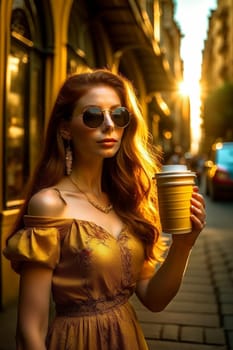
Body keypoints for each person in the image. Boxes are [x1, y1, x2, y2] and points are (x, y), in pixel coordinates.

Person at [3, 69, 206, 350]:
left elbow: (155, 299)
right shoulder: (50, 204)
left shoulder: (128, 200)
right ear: (65, 128)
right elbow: (29, 331)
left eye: (118, 115)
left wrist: (184, 245)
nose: (109, 125)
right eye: (93, 115)